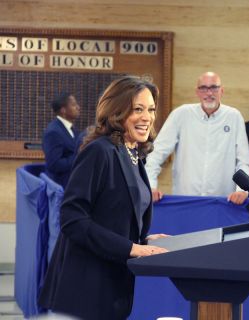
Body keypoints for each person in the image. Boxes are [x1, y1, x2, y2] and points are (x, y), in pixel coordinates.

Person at [38, 76, 168, 320]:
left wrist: (142, 240)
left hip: (114, 287)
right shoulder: (99, 151)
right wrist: (131, 247)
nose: (147, 117)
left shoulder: (133, 154)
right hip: (85, 290)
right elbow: (72, 219)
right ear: (117, 112)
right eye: (137, 109)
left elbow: (113, 213)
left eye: (150, 109)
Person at [144, 71, 249, 205]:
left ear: (222, 90)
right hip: (185, 202)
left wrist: (242, 190)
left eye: (214, 87)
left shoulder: (234, 117)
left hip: (223, 204)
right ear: (197, 92)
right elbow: (156, 154)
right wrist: (150, 185)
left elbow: (244, 162)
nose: (209, 93)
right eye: (203, 88)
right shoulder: (181, 114)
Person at [42, 92, 81, 188]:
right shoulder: (53, 132)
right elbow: (55, 164)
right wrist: (80, 157)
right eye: (73, 105)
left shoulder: (71, 129)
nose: (78, 107)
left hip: (73, 182)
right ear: (63, 110)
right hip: (61, 187)